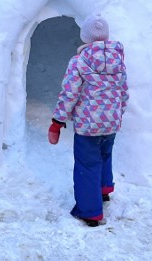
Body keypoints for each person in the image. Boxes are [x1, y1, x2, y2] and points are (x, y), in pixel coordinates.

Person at [49, 14, 129, 227]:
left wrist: (57, 120)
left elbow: (69, 93)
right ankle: (103, 191)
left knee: (87, 164)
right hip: (111, 122)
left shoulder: (79, 62)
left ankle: (90, 212)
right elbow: (123, 92)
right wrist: (117, 113)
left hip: (88, 125)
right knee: (105, 155)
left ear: (85, 37)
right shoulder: (118, 59)